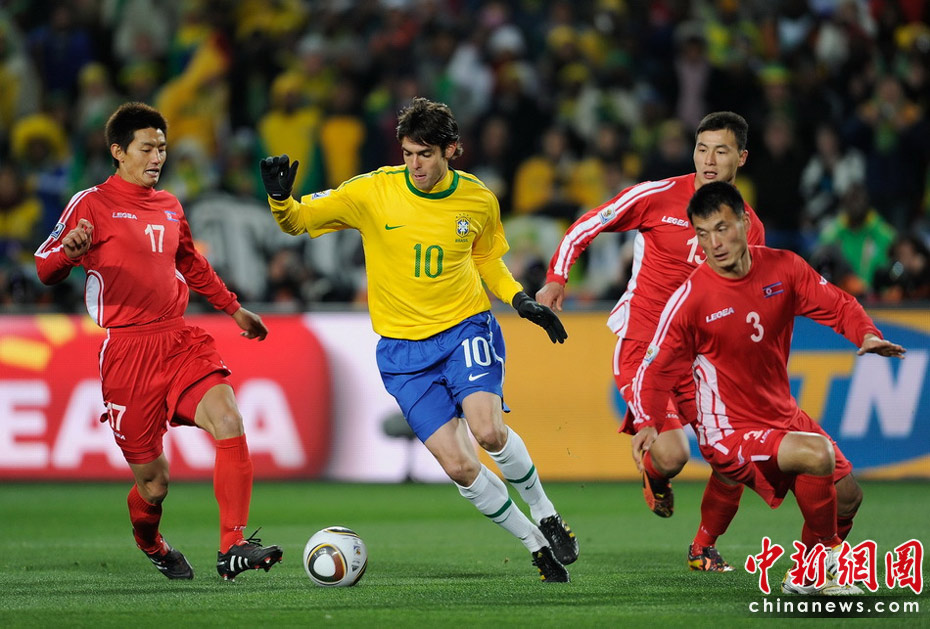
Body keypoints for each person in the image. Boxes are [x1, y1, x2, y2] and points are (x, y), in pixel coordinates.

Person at [261, 97, 578, 582]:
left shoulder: (478, 199)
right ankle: (535, 545)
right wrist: (281, 200)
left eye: (425, 154)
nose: (415, 165)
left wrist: (518, 299)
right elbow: (298, 221)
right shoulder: (372, 191)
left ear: (451, 150)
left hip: (464, 327)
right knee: (460, 467)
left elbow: (486, 258)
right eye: (408, 153)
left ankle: (546, 513)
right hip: (403, 352)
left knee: (488, 432)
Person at [34, 102, 282, 582]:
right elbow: (45, 267)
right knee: (154, 484)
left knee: (228, 419)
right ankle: (151, 542)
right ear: (118, 151)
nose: (157, 158)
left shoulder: (170, 204)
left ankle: (232, 545)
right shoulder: (90, 203)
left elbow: (190, 263)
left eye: (162, 148)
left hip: (179, 339)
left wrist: (234, 309)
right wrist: (68, 253)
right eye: (146, 148)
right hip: (128, 353)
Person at [629, 181, 905, 595]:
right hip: (727, 429)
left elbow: (839, 305)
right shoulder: (691, 298)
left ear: (745, 222)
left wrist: (865, 334)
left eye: (722, 228)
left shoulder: (784, 268)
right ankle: (824, 567)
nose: (713, 244)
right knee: (817, 454)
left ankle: (807, 573)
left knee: (848, 497)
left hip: (780, 413)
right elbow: (655, 368)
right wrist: (648, 420)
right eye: (702, 234)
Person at [537, 111, 764, 572]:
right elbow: (589, 223)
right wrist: (557, 276)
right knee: (674, 454)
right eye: (702, 149)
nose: (709, 160)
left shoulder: (749, 227)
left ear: (741, 158)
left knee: (733, 458)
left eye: (721, 151)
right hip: (645, 347)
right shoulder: (657, 196)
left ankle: (703, 547)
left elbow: (745, 296)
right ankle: (657, 475)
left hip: (702, 358)